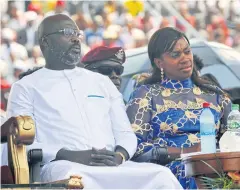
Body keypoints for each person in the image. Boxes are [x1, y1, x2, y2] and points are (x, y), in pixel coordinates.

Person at [7, 14, 182, 189]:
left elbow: (125, 134)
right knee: (76, 182)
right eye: (68, 33)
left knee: (162, 176)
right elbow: (22, 144)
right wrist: (71, 155)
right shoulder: (26, 87)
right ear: (45, 42)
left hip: (113, 165)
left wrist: (120, 155)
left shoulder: (101, 82)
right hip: (64, 166)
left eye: (77, 34)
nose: (76, 39)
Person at [126, 27, 231, 189]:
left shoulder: (215, 94)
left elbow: (232, 138)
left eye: (187, 51)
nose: (185, 58)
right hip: (171, 173)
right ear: (159, 62)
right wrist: (186, 151)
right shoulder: (145, 95)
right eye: (175, 55)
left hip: (217, 167)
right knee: (198, 173)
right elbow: (134, 149)